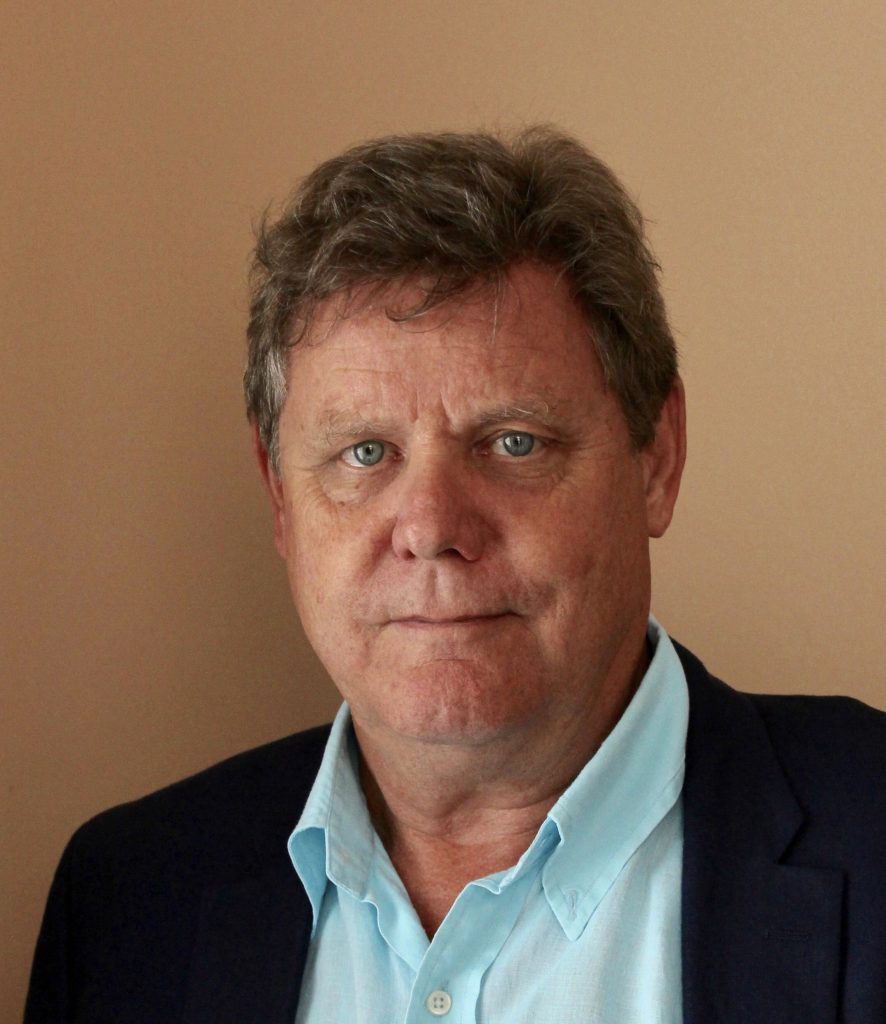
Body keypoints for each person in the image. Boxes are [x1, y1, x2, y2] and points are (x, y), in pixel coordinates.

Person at [25, 127, 885, 1023]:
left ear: (656, 458)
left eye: (514, 443)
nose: (432, 528)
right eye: (365, 453)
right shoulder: (127, 905)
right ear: (281, 500)